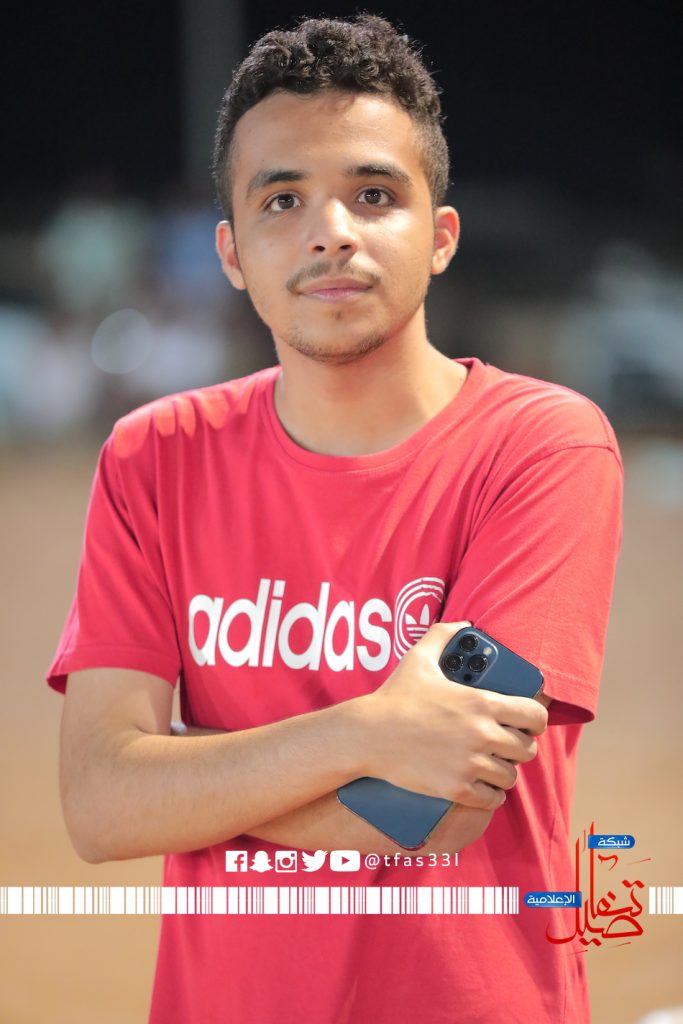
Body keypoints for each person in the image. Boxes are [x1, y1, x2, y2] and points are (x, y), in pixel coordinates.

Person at [47, 14, 623, 1024]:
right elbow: (98, 807)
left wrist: (178, 781)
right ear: (231, 252)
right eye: (282, 199)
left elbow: (434, 805)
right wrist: (369, 728)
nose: (330, 232)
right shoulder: (155, 457)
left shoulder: (540, 446)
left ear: (439, 236)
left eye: (373, 194)